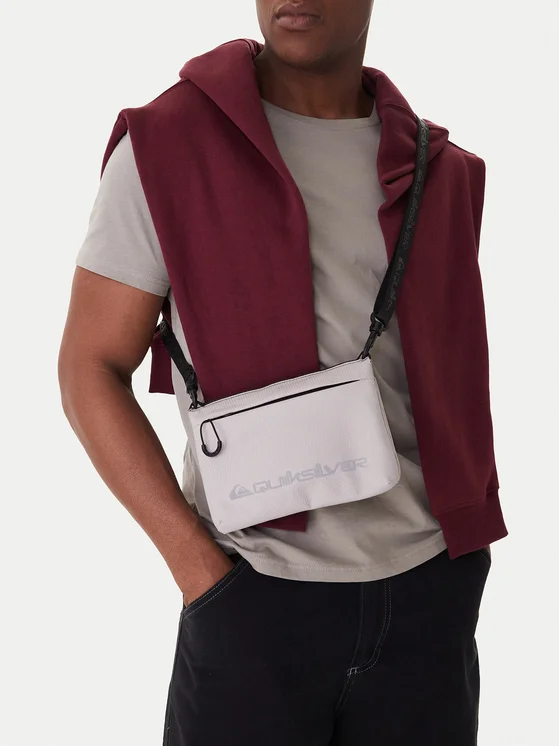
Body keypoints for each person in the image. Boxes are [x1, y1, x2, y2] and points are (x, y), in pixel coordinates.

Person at [58, 1, 508, 744]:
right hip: (252, 599)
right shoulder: (166, 147)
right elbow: (89, 366)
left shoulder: (440, 169)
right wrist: (202, 575)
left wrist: (459, 569)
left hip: (429, 599)